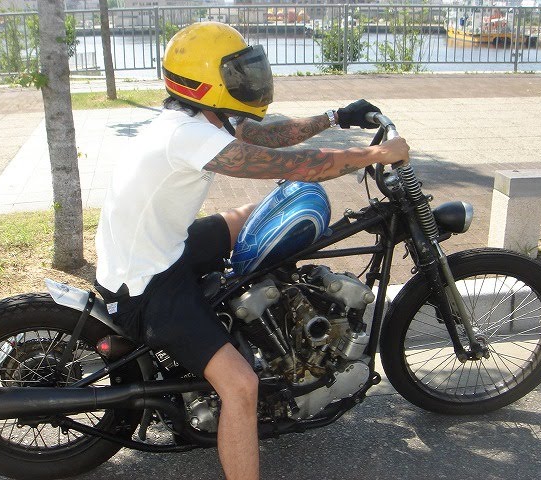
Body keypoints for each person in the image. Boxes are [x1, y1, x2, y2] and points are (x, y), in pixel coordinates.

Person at [95, 21, 409, 480]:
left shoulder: (196, 120)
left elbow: (270, 135)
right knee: (240, 386)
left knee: (251, 216)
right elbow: (296, 164)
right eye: (237, 73)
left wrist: (336, 116)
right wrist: (375, 155)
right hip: (146, 284)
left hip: (157, 249)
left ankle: (265, 308)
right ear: (208, 82)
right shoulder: (190, 137)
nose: (249, 80)